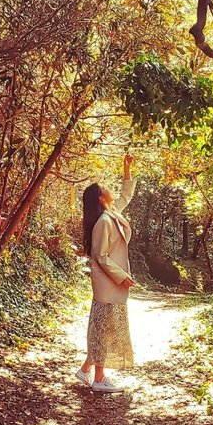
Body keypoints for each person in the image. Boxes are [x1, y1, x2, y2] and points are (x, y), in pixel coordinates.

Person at [76, 153, 136, 393]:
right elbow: (99, 256)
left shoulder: (112, 213)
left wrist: (127, 169)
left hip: (112, 283)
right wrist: (121, 276)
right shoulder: (103, 222)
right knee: (104, 327)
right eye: (106, 188)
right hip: (107, 283)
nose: (111, 190)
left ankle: (86, 369)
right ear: (101, 198)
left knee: (103, 325)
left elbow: (126, 195)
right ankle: (99, 379)